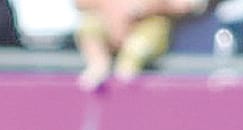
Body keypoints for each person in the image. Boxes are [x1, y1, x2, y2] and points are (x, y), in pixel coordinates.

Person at [71, 0, 207, 87]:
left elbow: (189, 5)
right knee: (89, 25)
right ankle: (98, 65)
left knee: (151, 33)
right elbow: (80, 3)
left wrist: (148, 6)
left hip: (154, 35)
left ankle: (126, 72)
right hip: (109, 31)